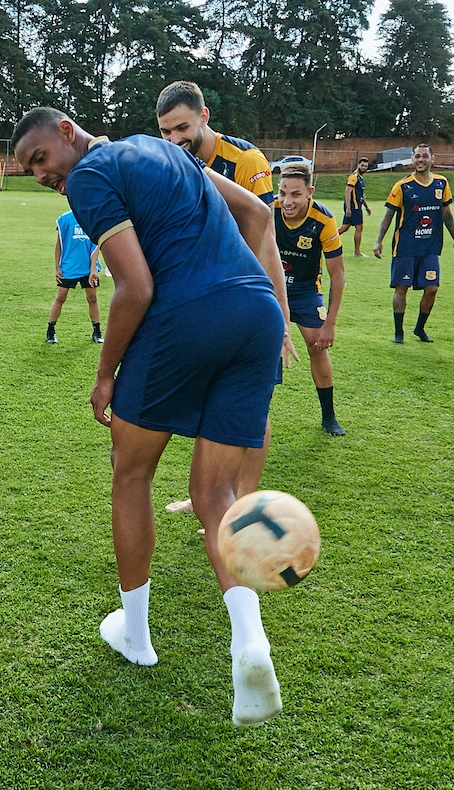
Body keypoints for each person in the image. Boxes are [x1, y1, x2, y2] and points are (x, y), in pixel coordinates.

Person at [13, 107, 291, 726]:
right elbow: (258, 213)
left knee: (131, 472)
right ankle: (250, 640)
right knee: (215, 489)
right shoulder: (158, 148)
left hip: (186, 317)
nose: (40, 176)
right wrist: (236, 288)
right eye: (28, 172)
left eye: (39, 160)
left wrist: (105, 372)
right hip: (256, 312)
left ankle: (135, 633)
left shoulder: (90, 174)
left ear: (66, 132)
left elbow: (134, 288)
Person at [155, 79, 296, 517]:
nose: (175, 140)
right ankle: (210, 495)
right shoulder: (173, 164)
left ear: (204, 117)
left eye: (182, 128)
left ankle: (242, 504)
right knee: (209, 403)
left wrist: (280, 318)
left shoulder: (246, 161)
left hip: (249, 301)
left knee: (252, 406)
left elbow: (265, 239)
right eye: (165, 133)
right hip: (205, 300)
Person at [275, 163, 347, 436]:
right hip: (271, 288)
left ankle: (329, 417)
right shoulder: (267, 210)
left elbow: (337, 275)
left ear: (309, 192)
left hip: (305, 291)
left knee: (317, 346)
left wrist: (330, 323)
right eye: (282, 193)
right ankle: (257, 412)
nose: (287, 201)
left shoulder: (323, 221)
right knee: (261, 346)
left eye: (295, 194)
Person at [373, 143, 454, 344]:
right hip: (405, 247)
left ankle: (419, 329)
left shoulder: (441, 183)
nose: (420, 160)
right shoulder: (402, 186)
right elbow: (388, 215)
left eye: (424, 156)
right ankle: (399, 332)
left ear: (432, 159)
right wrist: (379, 241)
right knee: (401, 288)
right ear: (412, 160)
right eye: (416, 156)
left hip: (430, 247)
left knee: (432, 289)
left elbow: (446, 214)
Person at [46, 209, 103, 344]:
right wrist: (57, 267)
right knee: (60, 297)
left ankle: (97, 331)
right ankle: (50, 330)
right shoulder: (65, 219)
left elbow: (96, 246)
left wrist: (93, 269)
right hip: (68, 267)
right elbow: (59, 245)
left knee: (92, 298)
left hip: (88, 268)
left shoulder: (91, 217)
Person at [337, 156, 370, 257]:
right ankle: (357, 252)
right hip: (353, 207)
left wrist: (366, 206)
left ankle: (325, 239)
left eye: (366, 166)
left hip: (357, 206)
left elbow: (361, 195)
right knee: (359, 227)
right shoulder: (353, 177)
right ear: (358, 165)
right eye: (362, 165)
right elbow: (347, 192)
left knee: (344, 228)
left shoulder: (360, 178)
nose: (364, 168)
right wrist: (348, 207)